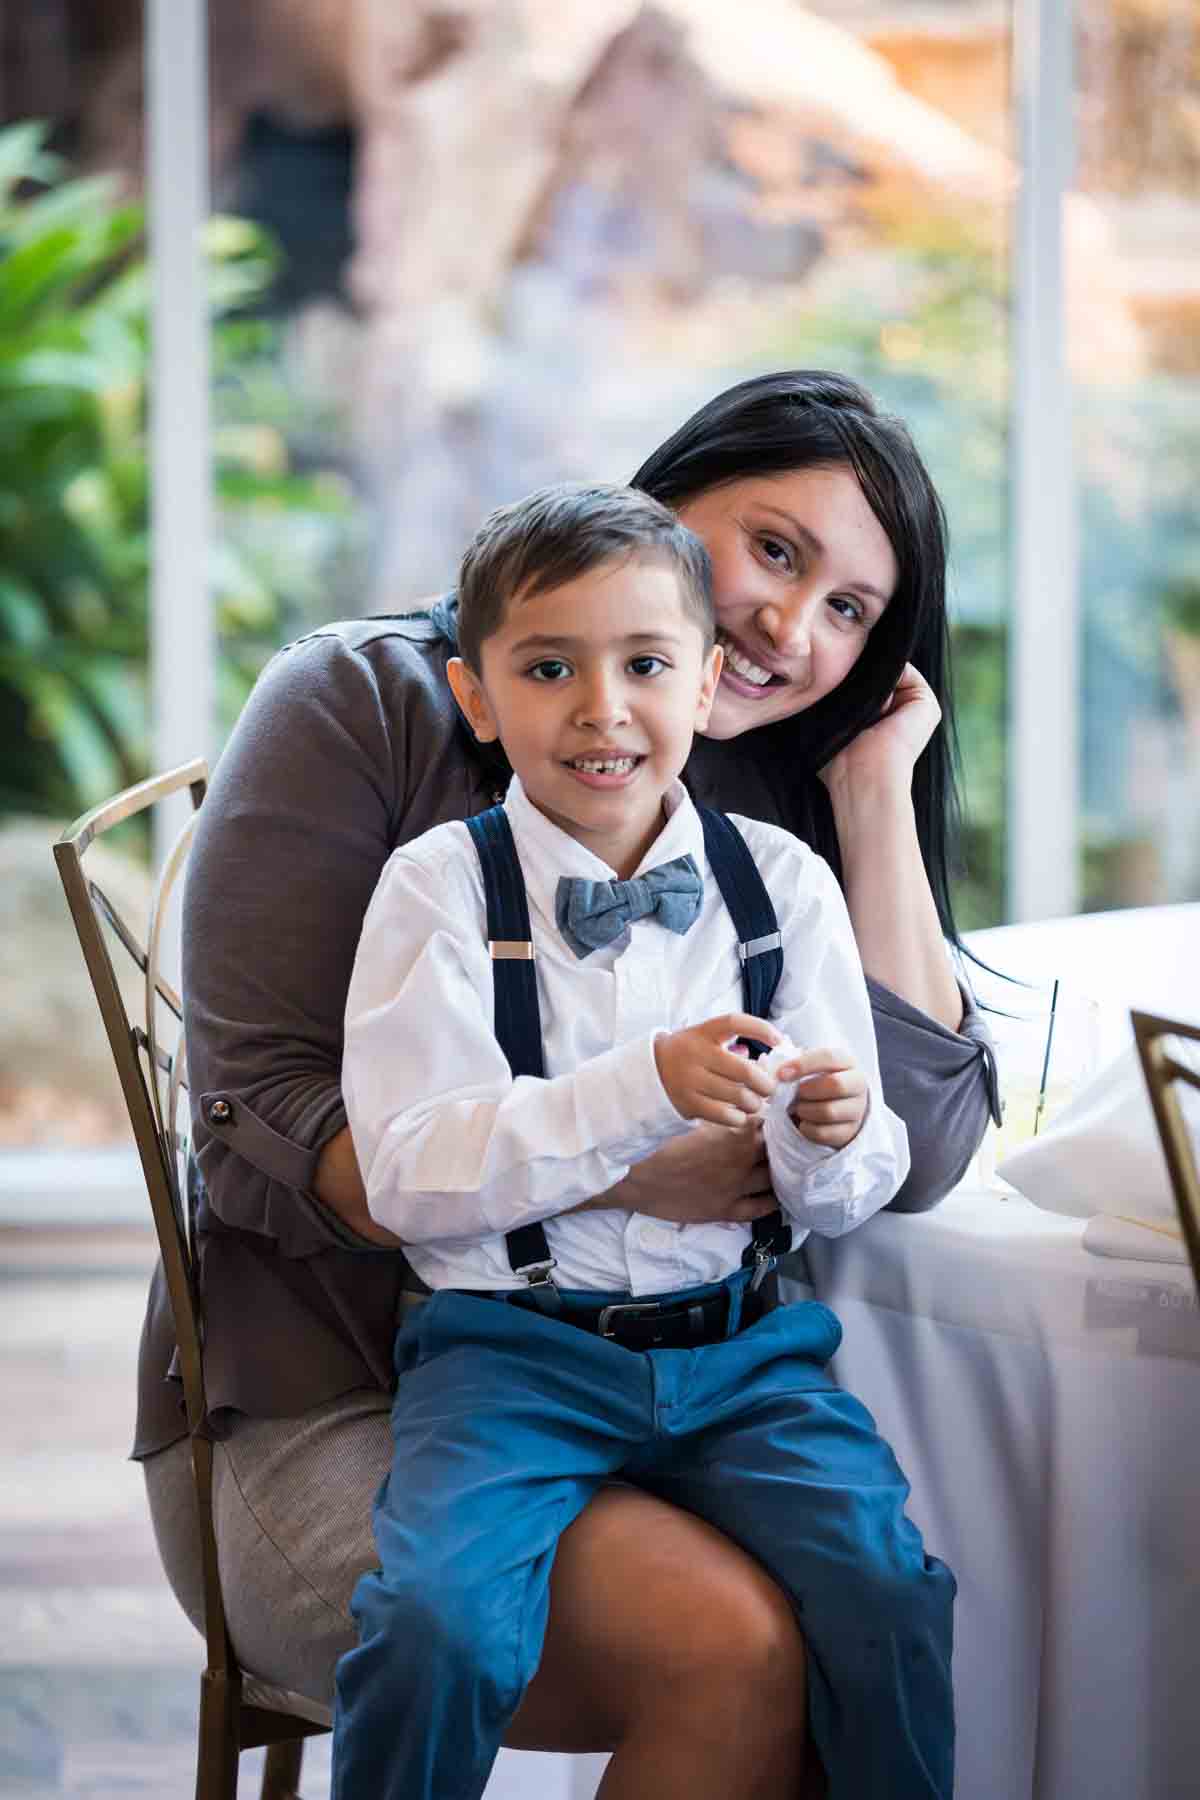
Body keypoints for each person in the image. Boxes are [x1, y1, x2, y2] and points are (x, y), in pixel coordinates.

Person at [139, 371, 998, 1795]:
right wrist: (607, 1150)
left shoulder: (758, 804)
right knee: (728, 1646)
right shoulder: (371, 708)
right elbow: (253, 1136)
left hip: (698, 1367)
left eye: (852, 609)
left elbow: (923, 1146)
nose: (790, 626)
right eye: (776, 552)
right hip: (335, 1383)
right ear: (665, 496)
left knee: (872, 1604)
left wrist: (872, 799)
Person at [333, 480, 954, 1800]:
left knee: (892, 1596)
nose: (603, 709)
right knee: (434, 1622)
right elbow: (408, 1170)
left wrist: (829, 1137)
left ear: (707, 681)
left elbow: (855, 1187)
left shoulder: (781, 886)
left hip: (742, 1354)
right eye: (549, 668)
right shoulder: (440, 890)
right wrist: (640, 1089)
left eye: (645, 665)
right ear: (480, 697)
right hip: (510, 1355)